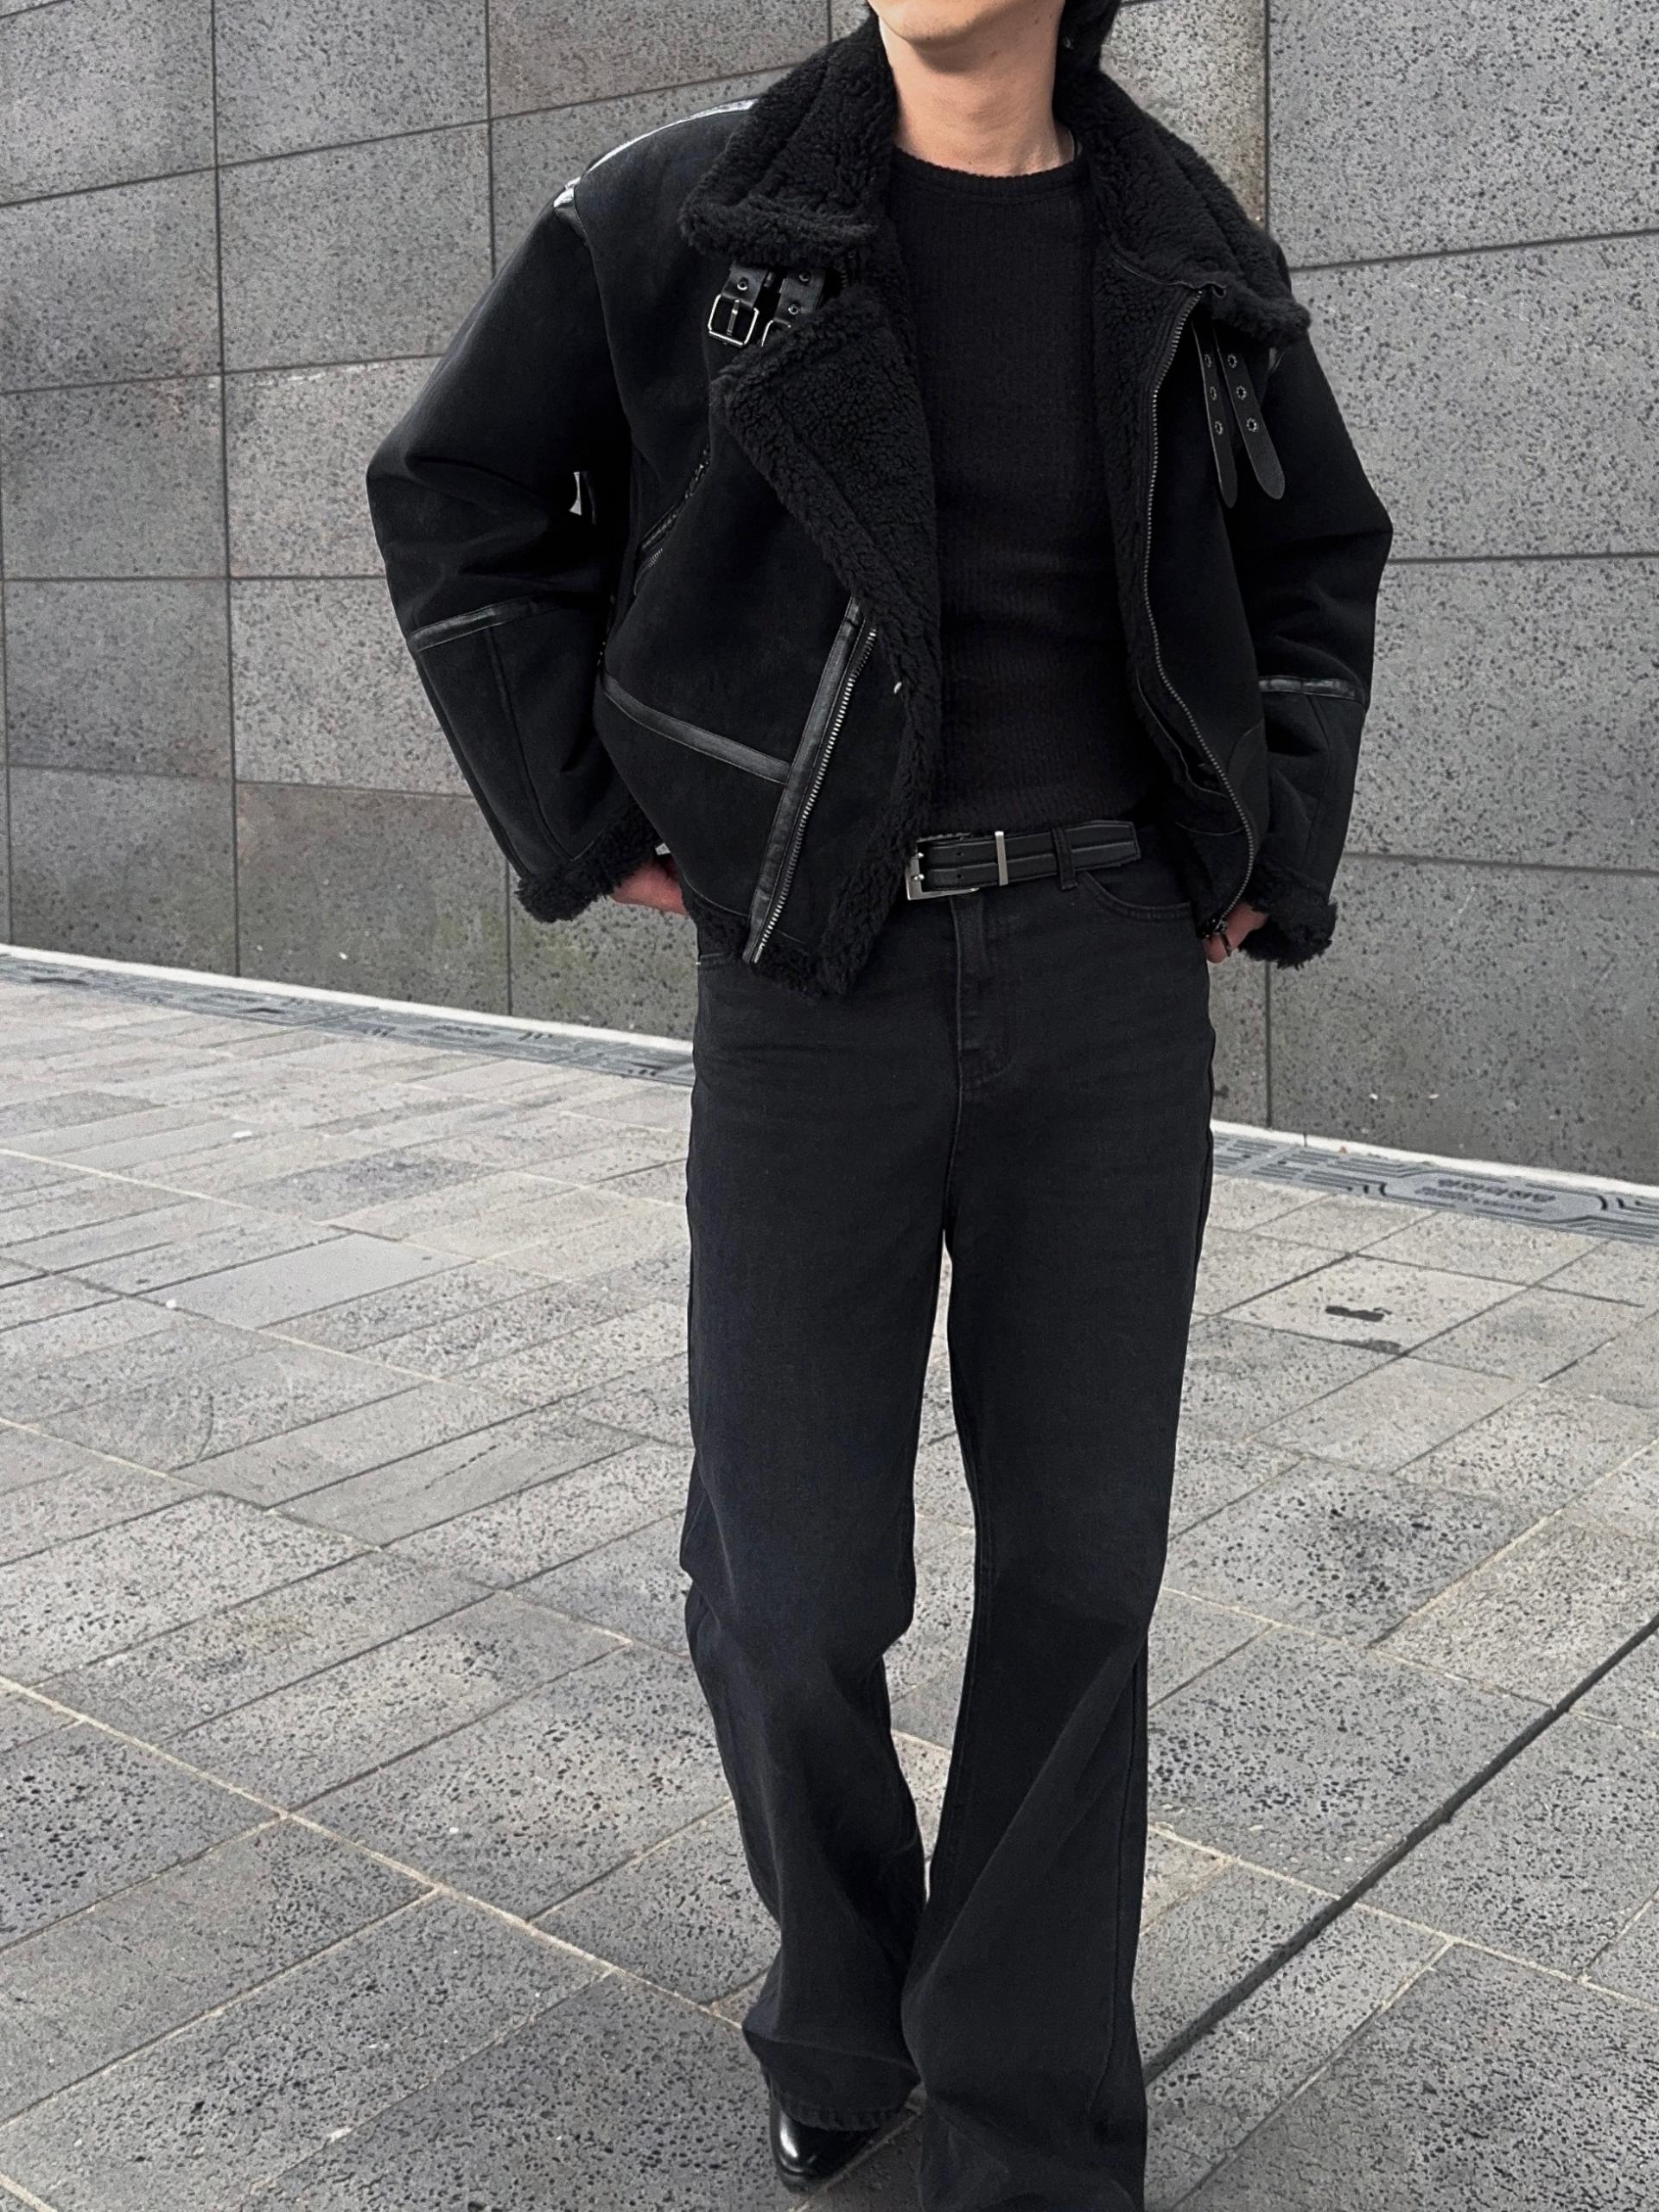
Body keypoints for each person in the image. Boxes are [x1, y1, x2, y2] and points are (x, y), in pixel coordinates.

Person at [365, 2, 1392, 2203]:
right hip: (813, 973)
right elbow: (455, 494)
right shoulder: (695, 212)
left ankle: (1028, 2109)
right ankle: (842, 1992)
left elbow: (1316, 556)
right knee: (794, 1577)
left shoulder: (1185, 247)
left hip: (1109, 969)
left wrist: (1271, 831)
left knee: (1082, 1569)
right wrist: (588, 813)